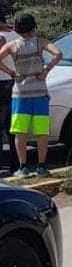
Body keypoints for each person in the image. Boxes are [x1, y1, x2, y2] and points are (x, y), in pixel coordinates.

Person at [0, 14, 62, 178]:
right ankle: (41, 166)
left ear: (17, 29)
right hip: (40, 92)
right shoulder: (40, 42)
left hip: (20, 93)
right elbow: (58, 54)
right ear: (34, 27)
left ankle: (23, 167)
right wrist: (46, 71)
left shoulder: (12, 46)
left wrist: (12, 73)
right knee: (42, 132)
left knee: (20, 132)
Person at [0, 13, 18, 173]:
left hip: (2, 82)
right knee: (11, 126)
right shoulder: (15, 34)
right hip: (12, 83)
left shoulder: (1, 37)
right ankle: (15, 163)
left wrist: (9, 72)